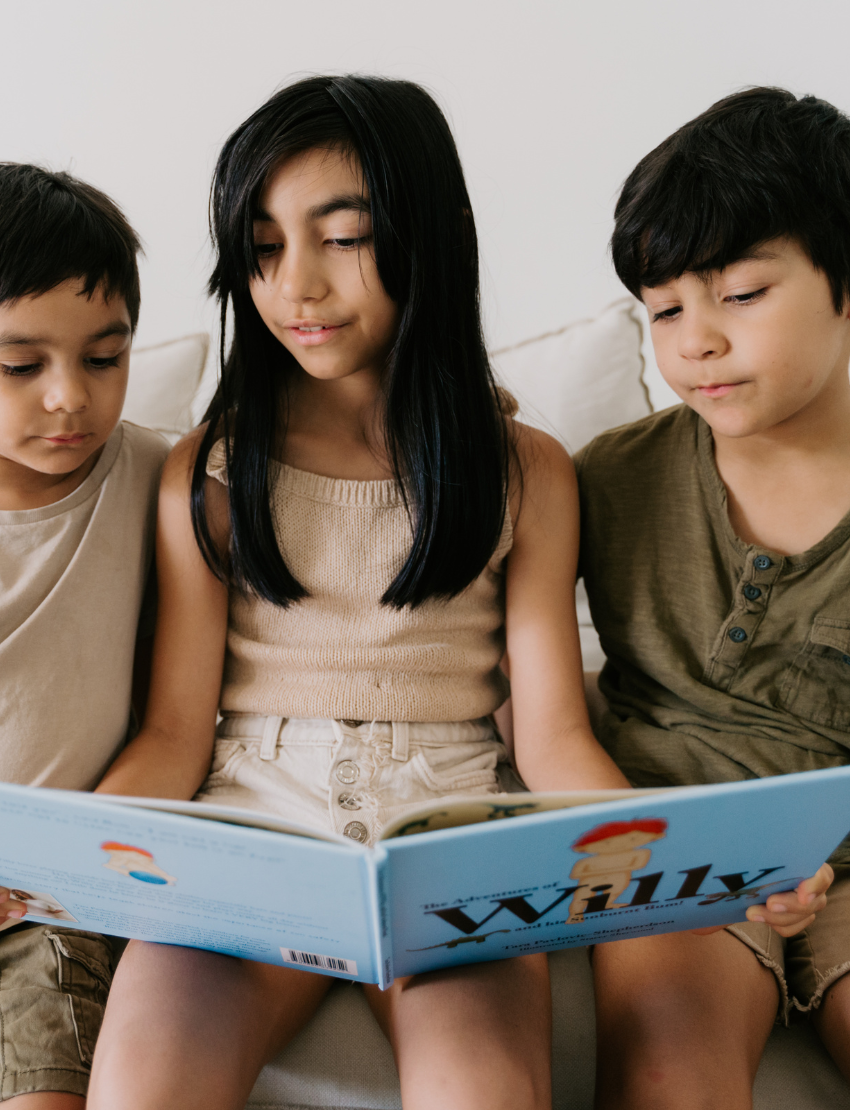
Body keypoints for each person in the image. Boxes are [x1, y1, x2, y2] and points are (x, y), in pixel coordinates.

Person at [86, 74, 630, 1110]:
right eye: (263, 245)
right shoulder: (208, 469)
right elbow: (169, 732)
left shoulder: (527, 471)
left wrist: (679, 866)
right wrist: (63, 861)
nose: (295, 284)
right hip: (250, 826)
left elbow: (555, 736)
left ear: (427, 234)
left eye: (341, 236)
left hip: (453, 840)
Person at [576, 87, 850, 1107]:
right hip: (678, 852)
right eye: (663, 309)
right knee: (666, 1066)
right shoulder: (610, 477)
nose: (694, 340)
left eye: (738, 295)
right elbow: (501, 668)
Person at [0, 165, 169, 1108]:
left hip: (51, 899)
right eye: (19, 366)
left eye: (103, 359)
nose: (69, 397)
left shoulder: (162, 475)